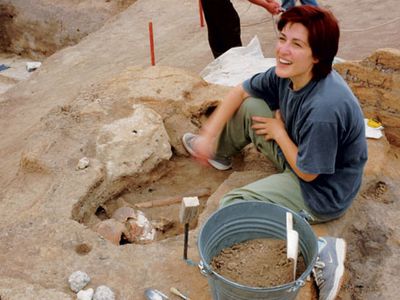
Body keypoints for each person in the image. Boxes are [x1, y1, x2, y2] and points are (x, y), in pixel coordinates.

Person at [183, 5, 367, 300]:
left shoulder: (325, 109)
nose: (283, 50)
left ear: (317, 56)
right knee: (252, 107)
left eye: (297, 44)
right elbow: (240, 91)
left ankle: (320, 250)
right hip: (299, 152)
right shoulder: (287, 73)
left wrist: (280, 133)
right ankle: (219, 152)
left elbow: (309, 172)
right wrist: (208, 136)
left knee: (234, 204)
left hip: (322, 190)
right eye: (282, 38)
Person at [201, 0, 282, 58]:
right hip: (222, 20)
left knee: (226, 52)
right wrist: (266, 5)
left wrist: (268, 1)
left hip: (217, 18)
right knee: (229, 55)